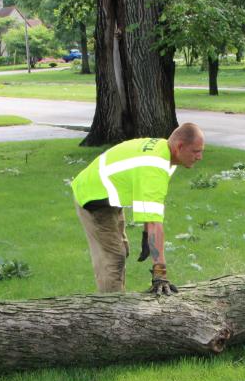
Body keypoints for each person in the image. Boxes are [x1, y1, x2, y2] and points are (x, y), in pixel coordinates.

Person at [71, 123, 205, 295]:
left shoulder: (164, 151)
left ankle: (117, 298)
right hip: (92, 197)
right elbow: (155, 224)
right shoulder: (155, 167)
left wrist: (145, 234)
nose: (200, 157)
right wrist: (160, 274)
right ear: (179, 147)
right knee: (113, 258)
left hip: (108, 196)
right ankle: (110, 311)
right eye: (196, 151)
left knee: (122, 250)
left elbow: (147, 204)